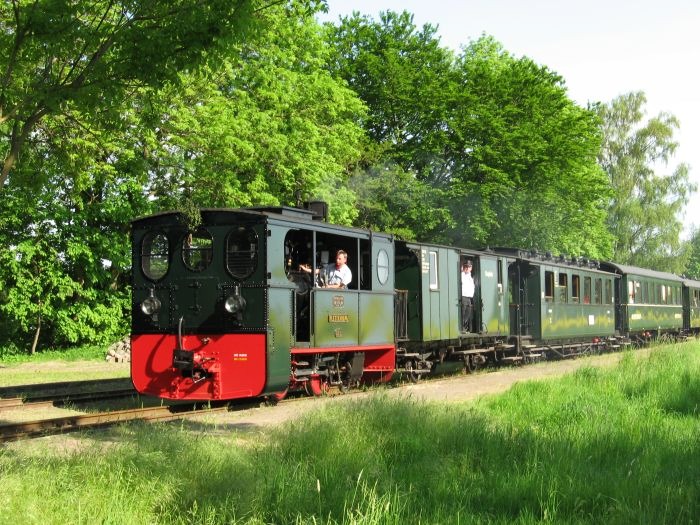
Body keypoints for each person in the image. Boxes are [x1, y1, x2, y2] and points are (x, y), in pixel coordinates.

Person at [461, 260, 475, 332]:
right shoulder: (461, 275)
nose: (467, 268)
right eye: (465, 266)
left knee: (468, 312)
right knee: (463, 313)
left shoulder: (470, 276)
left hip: (469, 297)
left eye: (468, 267)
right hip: (463, 296)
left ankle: (465, 327)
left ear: (471, 268)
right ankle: (462, 328)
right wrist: (462, 270)